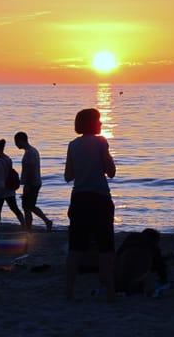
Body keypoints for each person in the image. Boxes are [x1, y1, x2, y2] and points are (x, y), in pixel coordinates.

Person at [64, 108, 116, 302]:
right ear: (92, 123)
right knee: (106, 247)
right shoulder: (101, 142)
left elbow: (68, 176)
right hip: (100, 199)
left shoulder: (73, 145)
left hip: (79, 199)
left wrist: (83, 167)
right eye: (99, 120)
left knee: (75, 247)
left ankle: (68, 292)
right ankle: (110, 292)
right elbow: (111, 172)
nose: (101, 124)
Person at [14, 131, 52, 232]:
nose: (16, 145)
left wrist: (27, 187)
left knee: (27, 207)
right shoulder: (33, 151)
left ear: (21, 141)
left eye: (16, 142)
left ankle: (30, 228)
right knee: (30, 206)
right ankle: (45, 222)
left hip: (32, 183)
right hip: (35, 182)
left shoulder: (30, 153)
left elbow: (30, 170)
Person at [115, 228, 168, 296]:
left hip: (119, 269)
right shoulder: (153, 245)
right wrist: (164, 279)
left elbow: (118, 253)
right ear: (155, 240)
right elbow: (160, 266)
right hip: (138, 274)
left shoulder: (131, 237)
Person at [0, 139, 25, 233]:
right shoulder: (8, 159)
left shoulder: (0, 161)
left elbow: (0, 177)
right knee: (14, 208)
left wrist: (0, 189)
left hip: (0, 190)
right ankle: (23, 224)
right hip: (9, 189)